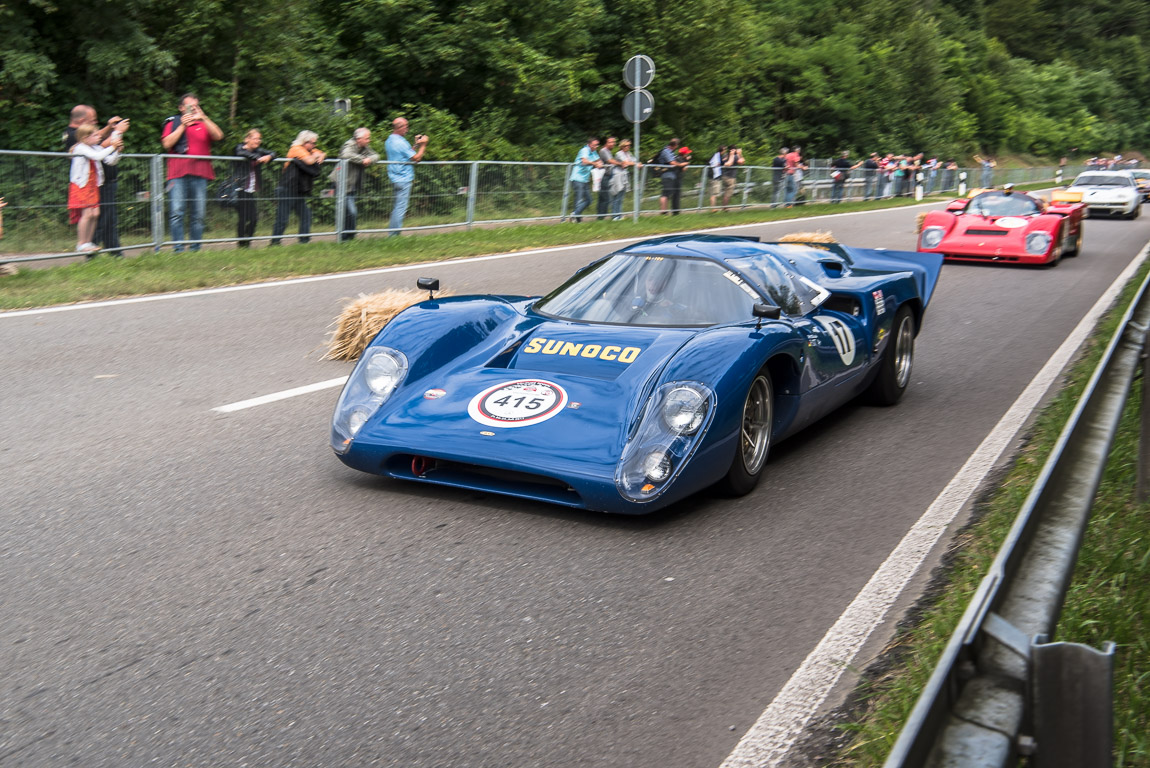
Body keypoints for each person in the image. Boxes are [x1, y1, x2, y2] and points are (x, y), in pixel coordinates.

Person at [161, 93, 223, 252]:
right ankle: (179, 249)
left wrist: (204, 118)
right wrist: (182, 125)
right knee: (177, 211)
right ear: (181, 108)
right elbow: (167, 143)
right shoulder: (173, 123)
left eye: (196, 106)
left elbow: (218, 136)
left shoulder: (203, 123)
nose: (193, 109)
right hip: (177, 173)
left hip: (200, 174)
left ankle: (195, 249)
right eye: (190, 106)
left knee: (199, 214)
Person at [68, 124, 121, 254]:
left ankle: (89, 242)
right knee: (87, 214)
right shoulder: (80, 148)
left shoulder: (96, 147)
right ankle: (81, 243)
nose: (99, 137)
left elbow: (110, 161)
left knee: (96, 214)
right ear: (86, 138)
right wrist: (112, 146)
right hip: (82, 186)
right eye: (96, 135)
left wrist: (117, 151)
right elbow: (97, 157)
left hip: (93, 186)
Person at [270, 131, 325, 246]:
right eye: (313, 143)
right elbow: (310, 160)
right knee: (283, 218)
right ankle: (275, 243)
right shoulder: (296, 149)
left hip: (298, 190)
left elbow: (321, 153)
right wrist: (315, 156)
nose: (315, 146)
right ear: (305, 142)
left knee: (306, 215)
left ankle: (304, 241)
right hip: (287, 189)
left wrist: (321, 155)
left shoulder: (308, 150)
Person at [384, 117, 428, 236]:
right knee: (400, 208)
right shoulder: (401, 142)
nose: (407, 129)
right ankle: (394, 236)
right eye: (406, 126)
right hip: (403, 179)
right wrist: (424, 145)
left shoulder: (389, 140)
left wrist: (415, 145)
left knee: (397, 207)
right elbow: (417, 159)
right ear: (399, 127)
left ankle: (393, 234)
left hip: (395, 177)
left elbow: (407, 155)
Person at [232, 129, 275, 248]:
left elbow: (273, 153)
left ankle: (247, 241)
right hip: (240, 188)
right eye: (255, 138)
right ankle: (242, 244)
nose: (258, 141)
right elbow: (242, 154)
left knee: (254, 218)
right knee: (243, 217)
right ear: (247, 139)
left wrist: (269, 156)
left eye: (259, 139)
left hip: (251, 189)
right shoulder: (239, 148)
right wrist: (258, 158)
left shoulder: (258, 151)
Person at [337, 127, 380, 241]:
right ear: (359, 139)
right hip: (341, 184)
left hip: (352, 185)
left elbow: (376, 155)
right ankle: (346, 237)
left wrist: (369, 160)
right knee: (351, 211)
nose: (369, 140)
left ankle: (348, 238)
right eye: (367, 138)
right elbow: (345, 155)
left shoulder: (364, 147)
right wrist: (362, 159)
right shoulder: (349, 144)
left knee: (349, 213)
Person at [568, 136, 601, 222]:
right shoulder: (585, 150)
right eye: (594, 145)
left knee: (589, 200)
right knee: (578, 200)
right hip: (577, 178)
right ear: (589, 145)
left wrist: (600, 163)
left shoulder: (594, 152)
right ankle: (577, 219)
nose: (596, 146)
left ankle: (575, 214)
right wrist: (595, 163)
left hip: (585, 179)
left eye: (597, 145)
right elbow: (584, 161)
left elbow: (599, 160)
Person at [657, 139, 689, 215]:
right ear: (674, 145)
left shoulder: (671, 152)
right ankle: (663, 212)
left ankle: (666, 211)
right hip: (666, 174)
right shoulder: (666, 151)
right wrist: (681, 164)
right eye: (676, 146)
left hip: (671, 175)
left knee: (669, 193)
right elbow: (672, 162)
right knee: (665, 193)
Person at [609, 138, 638, 219]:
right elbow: (625, 162)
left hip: (624, 176)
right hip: (617, 176)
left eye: (629, 145)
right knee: (616, 196)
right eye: (626, 145)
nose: (628, 147)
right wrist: (634, 163)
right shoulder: (619, 153)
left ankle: (619, 214)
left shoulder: (629, 154)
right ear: (622, 146)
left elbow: (634, 161)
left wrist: (636, 163)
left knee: (621, 197)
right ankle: (615, 215)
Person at [596, 136, 621, 219]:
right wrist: (621, 163)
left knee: (604, 197)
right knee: (605, 198)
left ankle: (601, 216)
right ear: (606, 143)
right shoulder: (604, 151)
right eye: (610, 142)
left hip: (608, 176)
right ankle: (601, 217)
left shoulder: (609, 151)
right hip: (604, 176)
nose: (612, 144)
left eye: (613, 142)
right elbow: (610, 161)